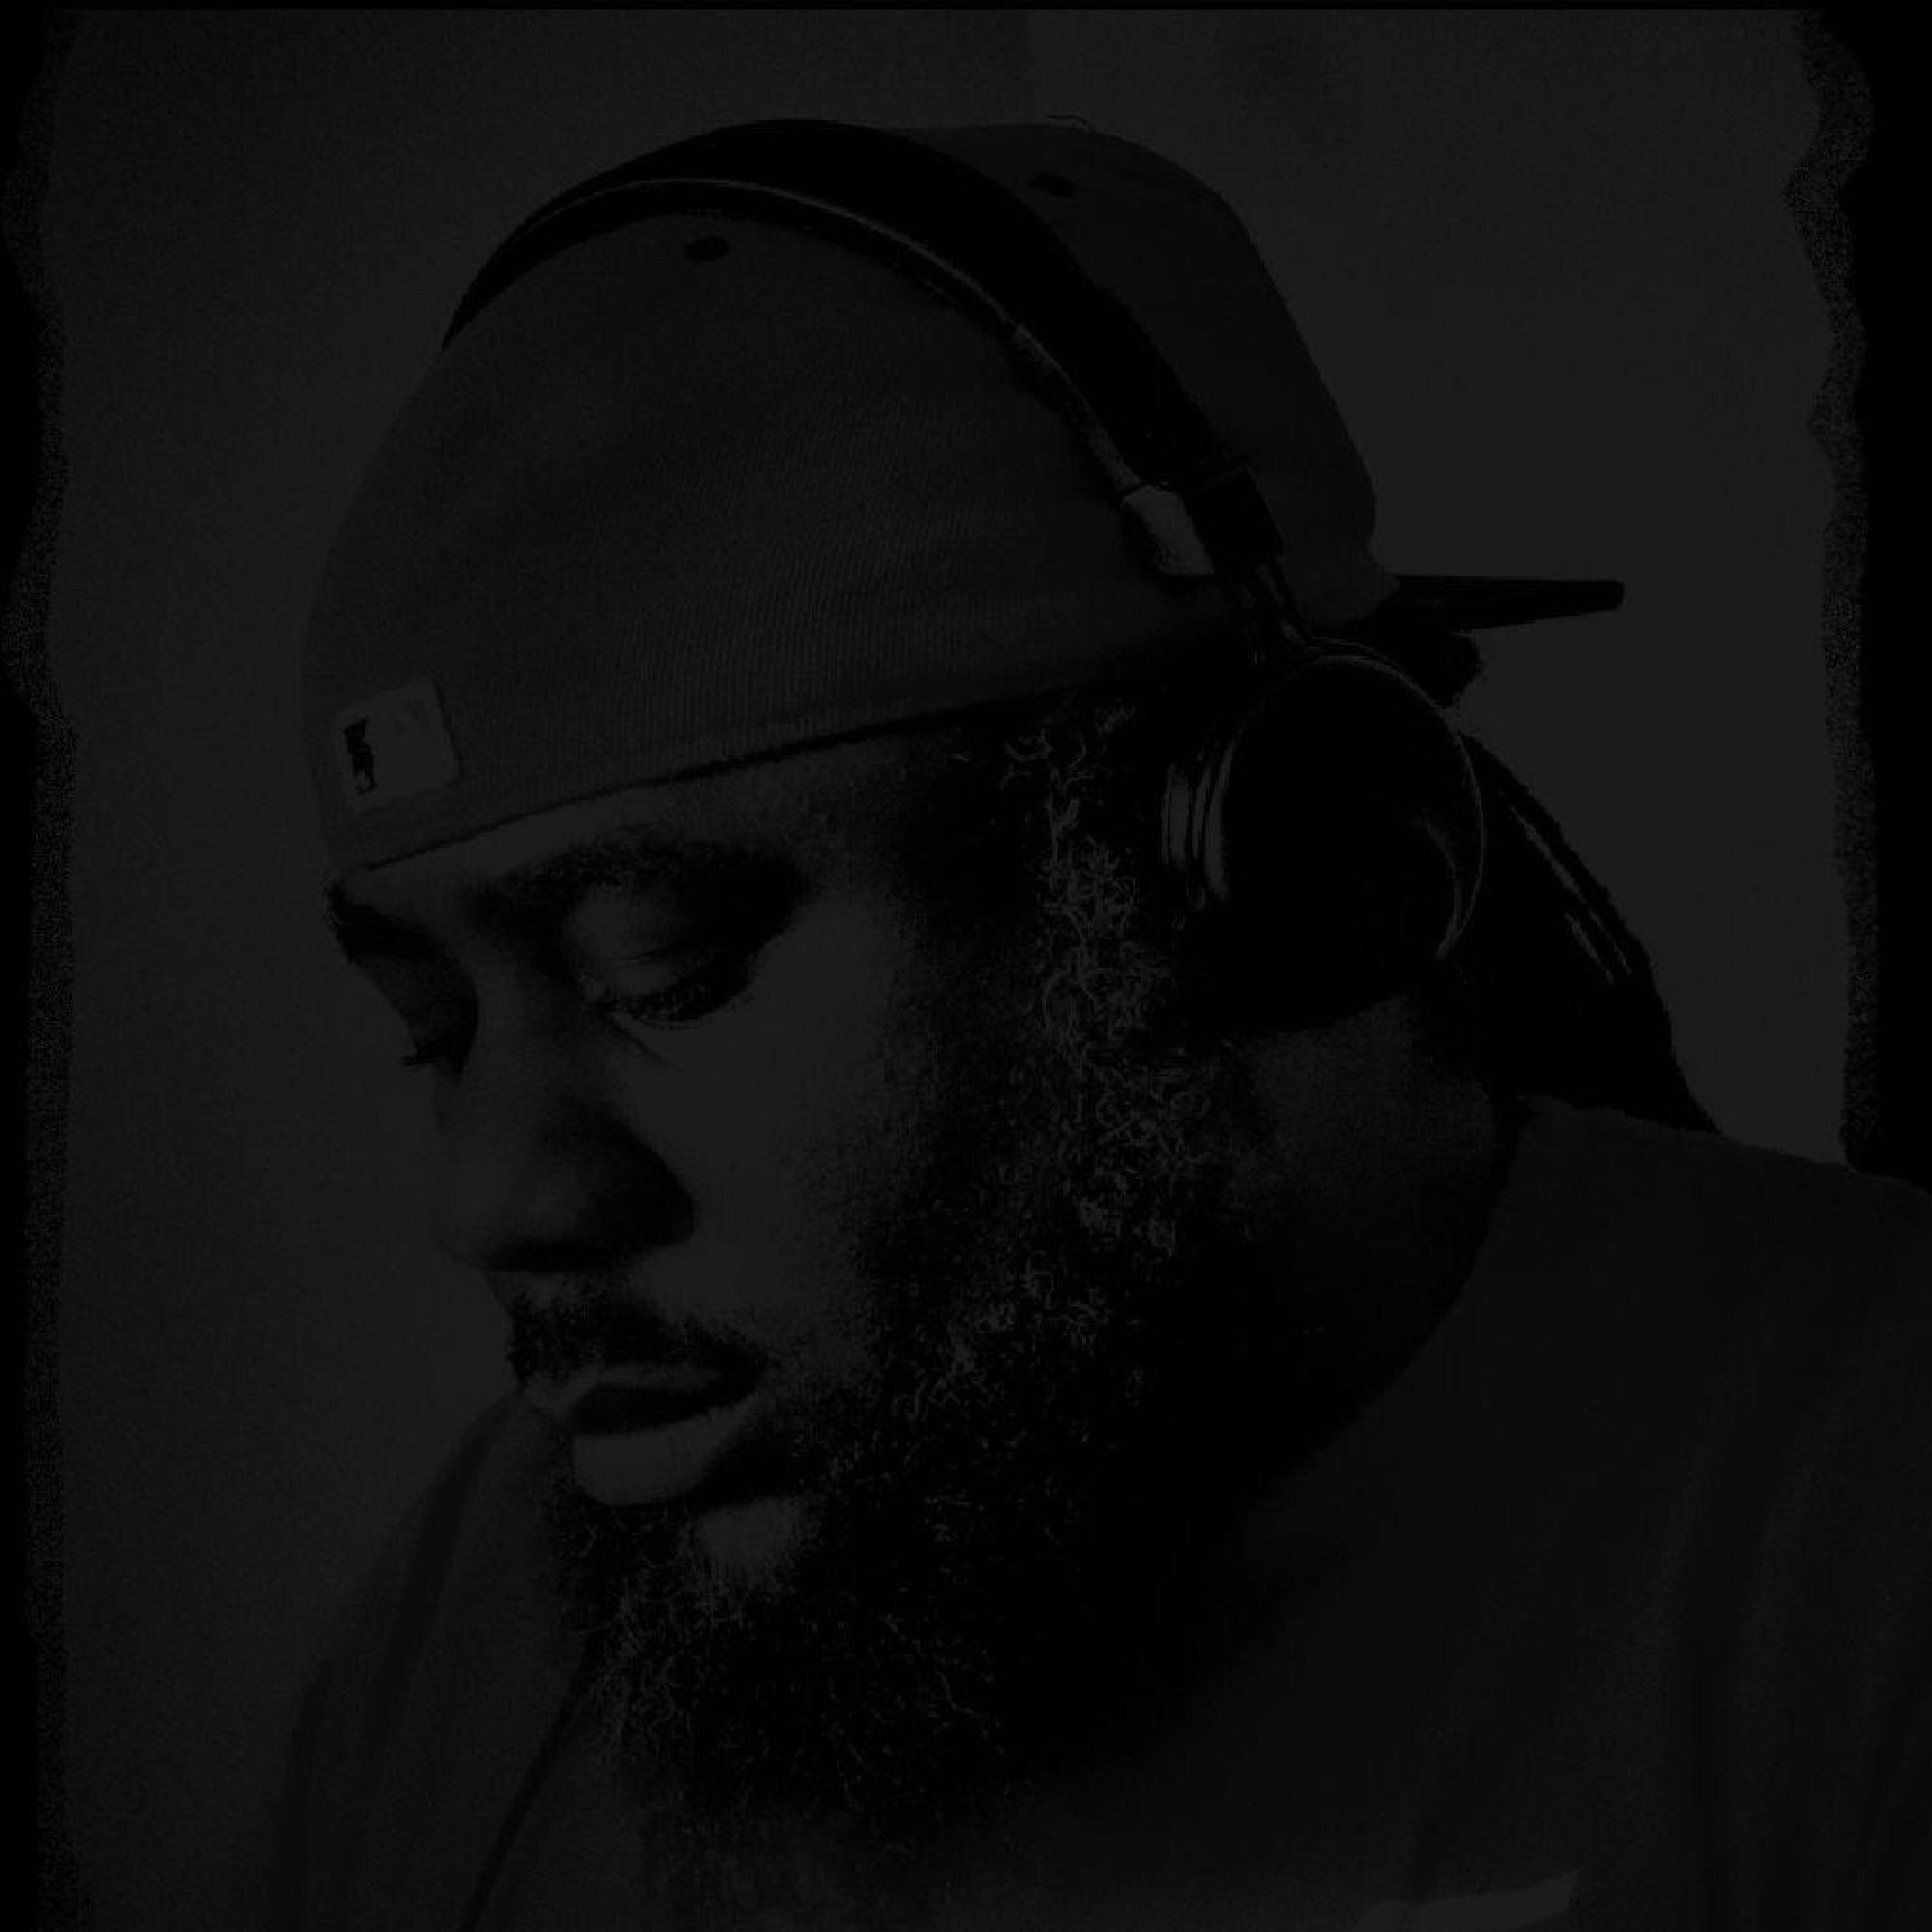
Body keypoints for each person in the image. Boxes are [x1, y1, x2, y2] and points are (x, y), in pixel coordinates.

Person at [251, 118, 1928, 1931]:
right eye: (432, 1028)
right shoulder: (481, 1620)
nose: (494, 1198)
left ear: (1280, 872)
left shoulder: (1869, 1522)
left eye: (665, 975)